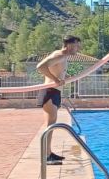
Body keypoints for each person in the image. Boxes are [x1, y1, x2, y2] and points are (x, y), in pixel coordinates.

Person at [34, 35, 81, 163]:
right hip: (49, 91)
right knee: (50, 125)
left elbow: (56, 71)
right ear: (69, 45)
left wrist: (64, 77)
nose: (78, 48)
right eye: (76, 45)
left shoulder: (63, 57)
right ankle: (46, 156)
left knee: (51, 125)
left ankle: (48, 153)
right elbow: (40, 67)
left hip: (54, 92)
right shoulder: (59, 55)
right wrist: (55, 79)